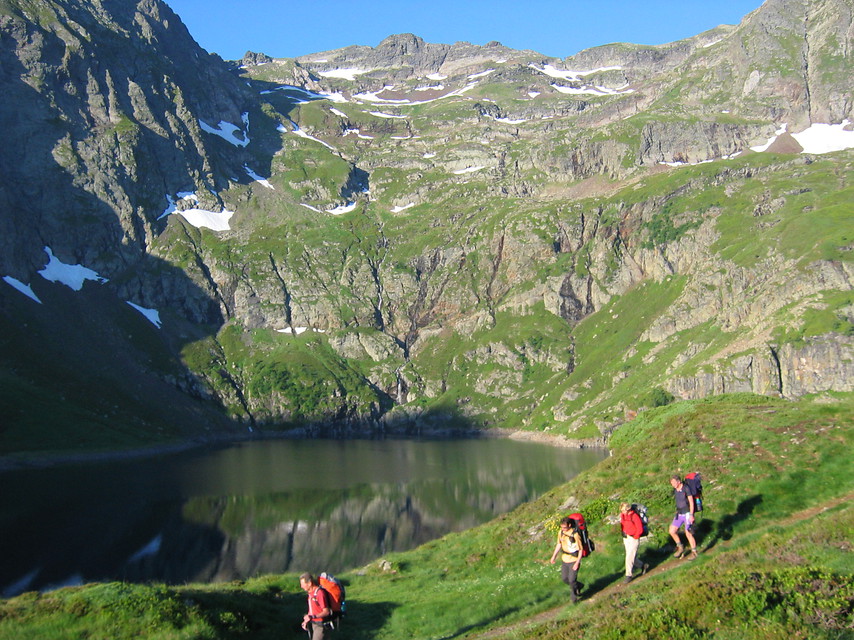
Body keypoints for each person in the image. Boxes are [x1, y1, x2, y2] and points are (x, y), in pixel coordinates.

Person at [549, 516, 584, 603]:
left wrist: (577, 563)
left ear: (569, 525)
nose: (563, 529)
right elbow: (559, 544)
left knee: (572, 580)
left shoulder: (575, 535)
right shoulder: (561, 532)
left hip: (574, 560)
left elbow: (580, 549)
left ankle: (574, 599)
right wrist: (554, 556)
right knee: (565, 579)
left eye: (564, 527)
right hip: (564, 559)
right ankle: (579, 586)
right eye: (561, 527)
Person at [668, 474, 698, 560]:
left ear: (678, 481)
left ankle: (694, 552)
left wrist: (691, 515)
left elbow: (691, 502)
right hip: (679, 513)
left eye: (674, 483)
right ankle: (680, 547)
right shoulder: (675, 490)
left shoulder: (686, 488)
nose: (672, 485)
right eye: (671, 483)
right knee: (672, 531)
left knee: (688, 533)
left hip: (687, 513)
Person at [619, 503, 649, 583]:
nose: (622, 512)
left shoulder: (634, 516)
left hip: (634, 538)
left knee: (629, 557)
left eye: (624, 510)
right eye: (622, 510)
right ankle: (643, 566)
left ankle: (628, 575)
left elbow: (640, 529)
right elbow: (622, 525)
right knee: (632, 557)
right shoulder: (623, 515)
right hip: (626, 538)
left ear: (628, 509)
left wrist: (636, 536)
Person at [300, 573, 332, 639]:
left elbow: (326, 612)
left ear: (309, 583)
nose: (301, 586)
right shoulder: (311, 594)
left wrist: (313, 616)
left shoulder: (319, 593)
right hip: (314, 624)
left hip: (321, 625)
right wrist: (306, 620)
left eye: (302, 584)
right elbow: (312, 610)